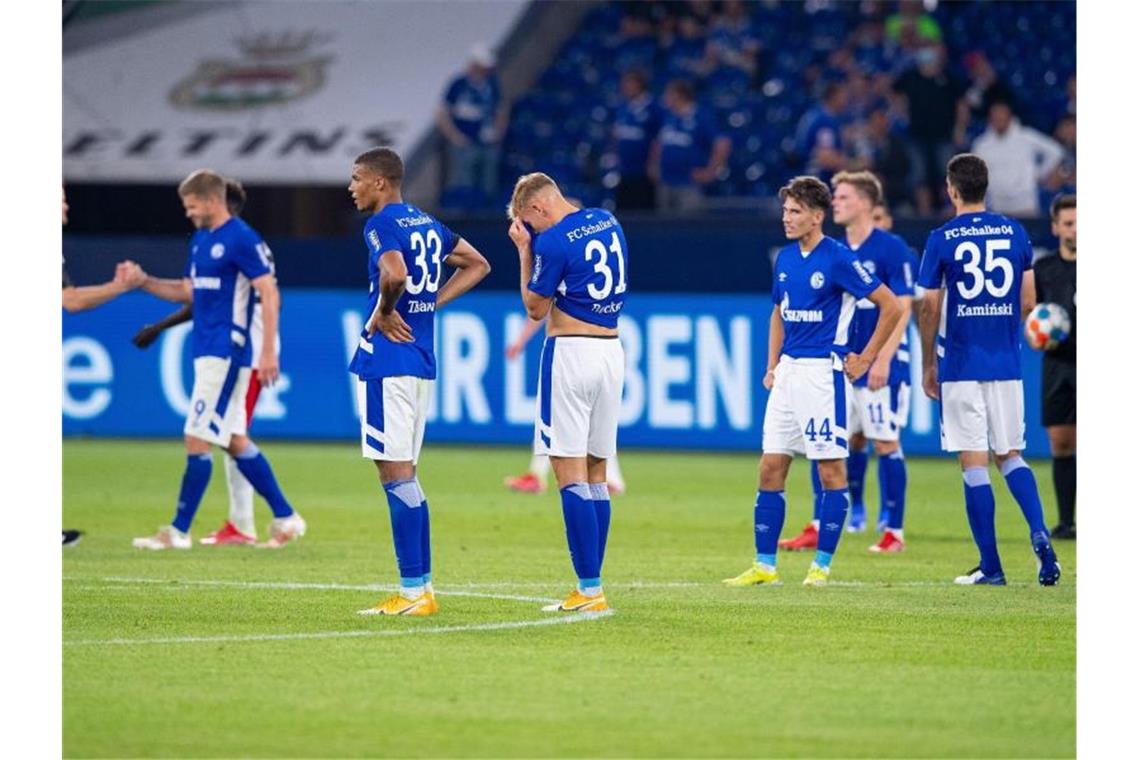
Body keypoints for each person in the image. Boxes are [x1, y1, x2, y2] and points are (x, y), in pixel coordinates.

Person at [724, 176, 903, 588]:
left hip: (823, 374)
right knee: (771, 466)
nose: (786, 218)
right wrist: (772, 365)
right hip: (788, 373)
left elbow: (890, 305)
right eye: (785, 210)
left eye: (795, 211)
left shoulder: (838, 258)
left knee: (830, 471)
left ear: (817, 217)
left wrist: (867, 356)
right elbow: (777, 312)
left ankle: (821, 567)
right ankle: (764, 566)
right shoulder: (786, 259)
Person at [124, 170, 306, 550]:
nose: (188, 214)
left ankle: (178, 531)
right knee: (234, 439)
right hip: (207, 348)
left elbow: (269, 293)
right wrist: (144, 282)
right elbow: (190, 291)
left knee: (197, 435)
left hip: (227, 350)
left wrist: (268, 349)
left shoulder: (241, 238)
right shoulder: (203, 241)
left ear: (210, 201)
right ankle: (287, 516)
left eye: (191, 206)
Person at [348, 148, 491, 616]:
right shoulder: (427, 223)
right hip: (419, 359)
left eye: (357, 179)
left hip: (388, 361)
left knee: (396, 475)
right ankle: (422, 587)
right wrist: (431, 303)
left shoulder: (381, 224)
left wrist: (386, 312)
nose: (352, 188)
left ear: (381, 184)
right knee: (405, 474)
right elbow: (477, 263)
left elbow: (395, 273)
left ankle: (413, 593)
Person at [917, 153, 1061, 586]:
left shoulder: (942, 238)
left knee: (974, 463)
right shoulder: (1015, 232)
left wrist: (929, 361)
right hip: (1006, 362)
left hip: (961, 362)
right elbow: (1029, 302)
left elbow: (929, 304)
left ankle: (992, 567)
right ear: (986, 187)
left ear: (952, 189)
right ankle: (1039, 532)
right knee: (1011, 455)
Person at [506, 172, 628, 613]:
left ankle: (588, 589)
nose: (532, 232)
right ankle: (595, 585)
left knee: (569, 473)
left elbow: (535, 307)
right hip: (611, 351)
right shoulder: (607, 221)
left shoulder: (552, 242)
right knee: (597, 471)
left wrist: (524, 251)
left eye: (529, 224)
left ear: (537, 209)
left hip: (571, 353)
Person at [781, 172, 914, 553]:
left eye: (844, 196)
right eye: (835, 197)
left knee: (885, 441)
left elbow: (902, 307)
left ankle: (894, 531)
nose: (835, 202)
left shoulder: (890, 248)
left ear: (867, 204)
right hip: (842, 363)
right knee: (834, 439)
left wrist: (881, 359)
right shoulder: (835, 249)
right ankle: (831, 519)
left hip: (878, 365)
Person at [503, 315, 626, 495]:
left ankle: (537, 476)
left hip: (574, 351)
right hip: (607, 348)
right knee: (592, 425)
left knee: (554, 420)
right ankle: (612, 478)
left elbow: (539, 308)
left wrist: (520, 341)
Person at [1033, 194, 1076, 539]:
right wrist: (1037, 336)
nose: (1075, 230)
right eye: (1068, 223)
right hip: (1057, 364)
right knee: (1061, 443)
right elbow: (1032, 318)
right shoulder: (1044, 269)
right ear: (1055, 227)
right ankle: (1066, 522)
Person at [436, 44, 509, 205]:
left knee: (488, 180)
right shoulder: (458, 84)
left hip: (487, 140)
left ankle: (486, 209)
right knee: (463, 180)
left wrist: (498, 133)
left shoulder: (492, 85)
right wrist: (454, 136)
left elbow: (500, 110)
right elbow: (443, 113)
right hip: (464, 141)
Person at [648, 79, 731, 212]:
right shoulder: (668, 117)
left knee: (687, 226)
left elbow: (722, 143)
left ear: (679, 95)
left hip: (689, 183)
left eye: (668, 94)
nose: (664, 98)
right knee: (663, 227)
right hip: (665, 181)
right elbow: (659, 143)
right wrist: (653, 164)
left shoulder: (701, 117)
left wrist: (711, 171)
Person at [970, 101, 1064, 218]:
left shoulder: (1026, 137)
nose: (999, 120)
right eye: (996, 117)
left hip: (1025, 204)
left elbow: (1055, 151)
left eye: (1002, 116)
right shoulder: (981, 144)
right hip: (996, 206)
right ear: (990, 119)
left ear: (1010, 117)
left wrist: (1040, 174)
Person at [612, 69, 660, 211]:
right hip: (624, 170)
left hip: (643, 172)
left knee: (643, 211)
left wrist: (653, 164)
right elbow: (617, 134)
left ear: (639, 85)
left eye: (628, 84)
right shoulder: (623, 108)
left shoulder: (653, 108)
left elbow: (659, 140)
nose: (624, 87)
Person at [792, 82, 849, 185]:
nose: (846, 101)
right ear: (833, 97)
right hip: (818, 183)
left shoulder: (815, 114)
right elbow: (826, 158)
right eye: (843, 96)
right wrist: (854, 165)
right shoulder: (824, 121)